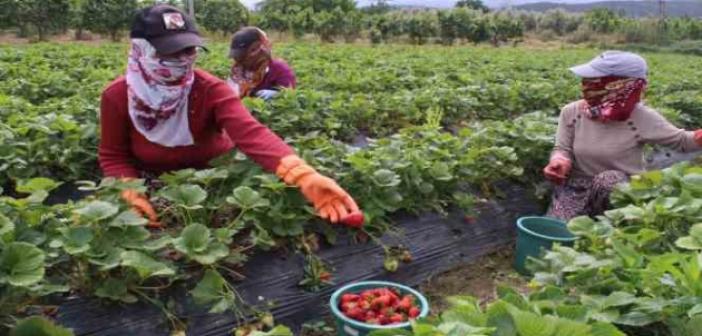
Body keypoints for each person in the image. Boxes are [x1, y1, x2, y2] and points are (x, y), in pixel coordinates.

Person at [99, 5, 360, 228]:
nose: (181, 60)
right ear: (141, 50)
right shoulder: (117, 96)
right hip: (152, 180)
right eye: (169, 52)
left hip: (216, 178)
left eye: (188, 50)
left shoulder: (210, 89)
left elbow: (251, 133)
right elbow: (114, 155)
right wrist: (128, 188)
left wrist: (303, 175)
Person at [543, 51, 702, 221]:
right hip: (576, 187)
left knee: (609, 180)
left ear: (620, 85)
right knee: (558, 232)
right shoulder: (572, 112)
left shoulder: (642, 117)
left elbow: (682, 141)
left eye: (596, 80)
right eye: (587, 80)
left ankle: (613, 224)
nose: (587, 85)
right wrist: (559, 161)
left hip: (622, 190)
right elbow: (562, 148)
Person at [227, 27, 296, 100]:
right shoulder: (238, 70)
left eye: (243, 55)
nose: (239, 60)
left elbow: (290, 97)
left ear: (256, 49)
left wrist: (277, 94)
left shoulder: (278, 69)